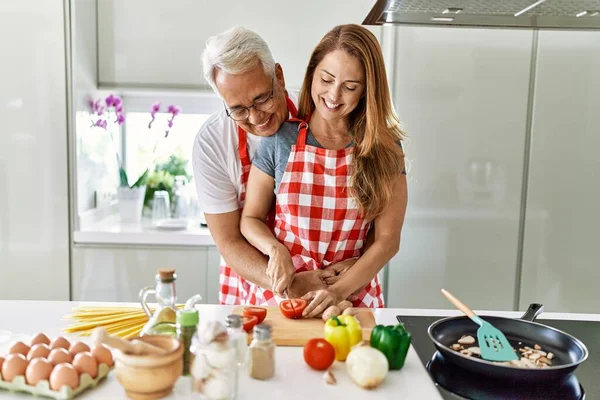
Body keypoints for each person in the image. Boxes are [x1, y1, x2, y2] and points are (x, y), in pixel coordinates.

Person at [240, 24, 408, 317]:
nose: (334, 95)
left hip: (351, 292)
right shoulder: (280, 141)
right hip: (288, 292)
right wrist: (275, 250)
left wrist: (336, 292)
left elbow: (387, 241)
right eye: (327, 79)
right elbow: (250, 219)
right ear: (312, 75)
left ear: (367, 91)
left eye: (350, 86)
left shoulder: (384, 148)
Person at [192, 26, 357, 305]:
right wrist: (287, 284)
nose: (256, 118)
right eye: (238, 109)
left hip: (335, 281)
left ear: (278, 76)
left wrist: (359, 262)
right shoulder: (212, 143)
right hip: (256, 279)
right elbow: (230, 242)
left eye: (261, 99)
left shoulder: (320, 111)